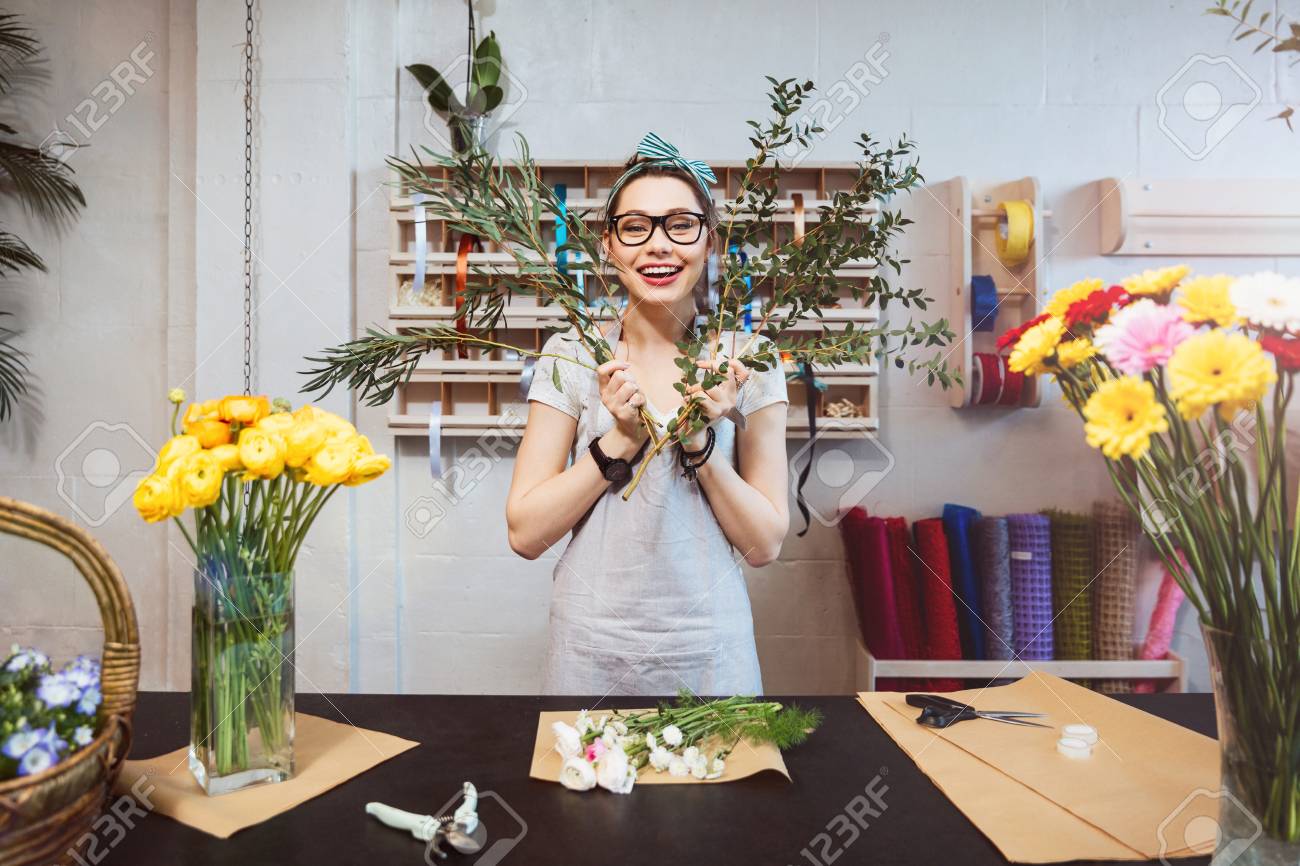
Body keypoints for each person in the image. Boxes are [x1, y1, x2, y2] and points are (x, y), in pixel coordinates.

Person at [506, 132, 790, 696]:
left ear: (709, 241)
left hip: (711, 653)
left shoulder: (747, 361)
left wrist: (698, 444)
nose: (658, 246)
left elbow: (765, 546)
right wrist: (620, 438)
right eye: (636, 227)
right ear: (608, 245)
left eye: (680, 224)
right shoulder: (573, 354)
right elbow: (525, 532)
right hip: (591, 650)